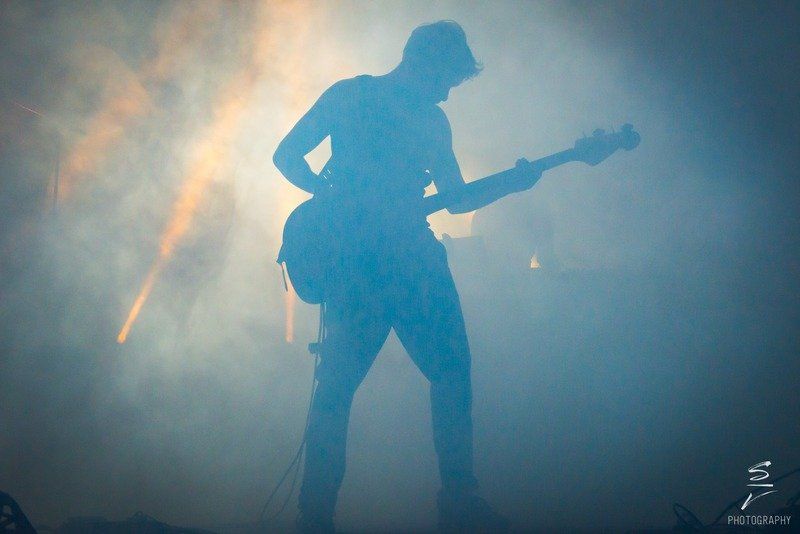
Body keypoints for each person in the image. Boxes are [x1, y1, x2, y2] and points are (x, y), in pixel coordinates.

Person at [273, 20, 540, 533]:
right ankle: (447, 502)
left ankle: (318, 514)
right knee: (436, 375)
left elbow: (287, 156)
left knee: (346, 388)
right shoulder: (378, 103)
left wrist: (513, 182)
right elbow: (457, 199)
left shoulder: (369, 101)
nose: (447, 90)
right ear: (422, 61)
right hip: (394, 263)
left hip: (380, 261)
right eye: (446, 77)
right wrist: (328, 197)